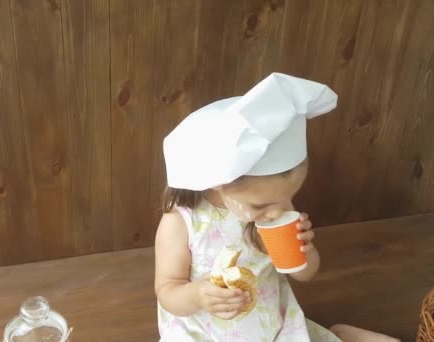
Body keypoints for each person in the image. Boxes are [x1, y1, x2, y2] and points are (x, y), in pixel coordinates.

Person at [155, 73, 399, 341]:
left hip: (270, 326)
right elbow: (167, 289)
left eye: (286, 197)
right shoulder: (181, 223)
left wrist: (303, 252)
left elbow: (305, 274)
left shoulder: (275, 207)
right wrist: (198, 295)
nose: (276, 212)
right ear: (218, 184)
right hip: (205, 331)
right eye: (261, 205)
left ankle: (337, 335)